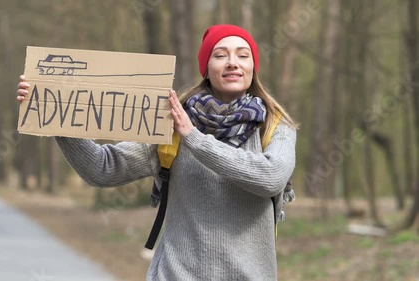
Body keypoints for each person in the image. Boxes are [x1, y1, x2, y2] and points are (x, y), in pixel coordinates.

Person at [17, 24, 297, 281]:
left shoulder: (275, 128)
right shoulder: (169, 125)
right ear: (206, 67)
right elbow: (102, 168)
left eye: (243, 55)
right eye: (220, 55)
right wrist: (54, 115)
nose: (232, 63)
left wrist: (194, 138)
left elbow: (271, 178)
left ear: (253, 67)